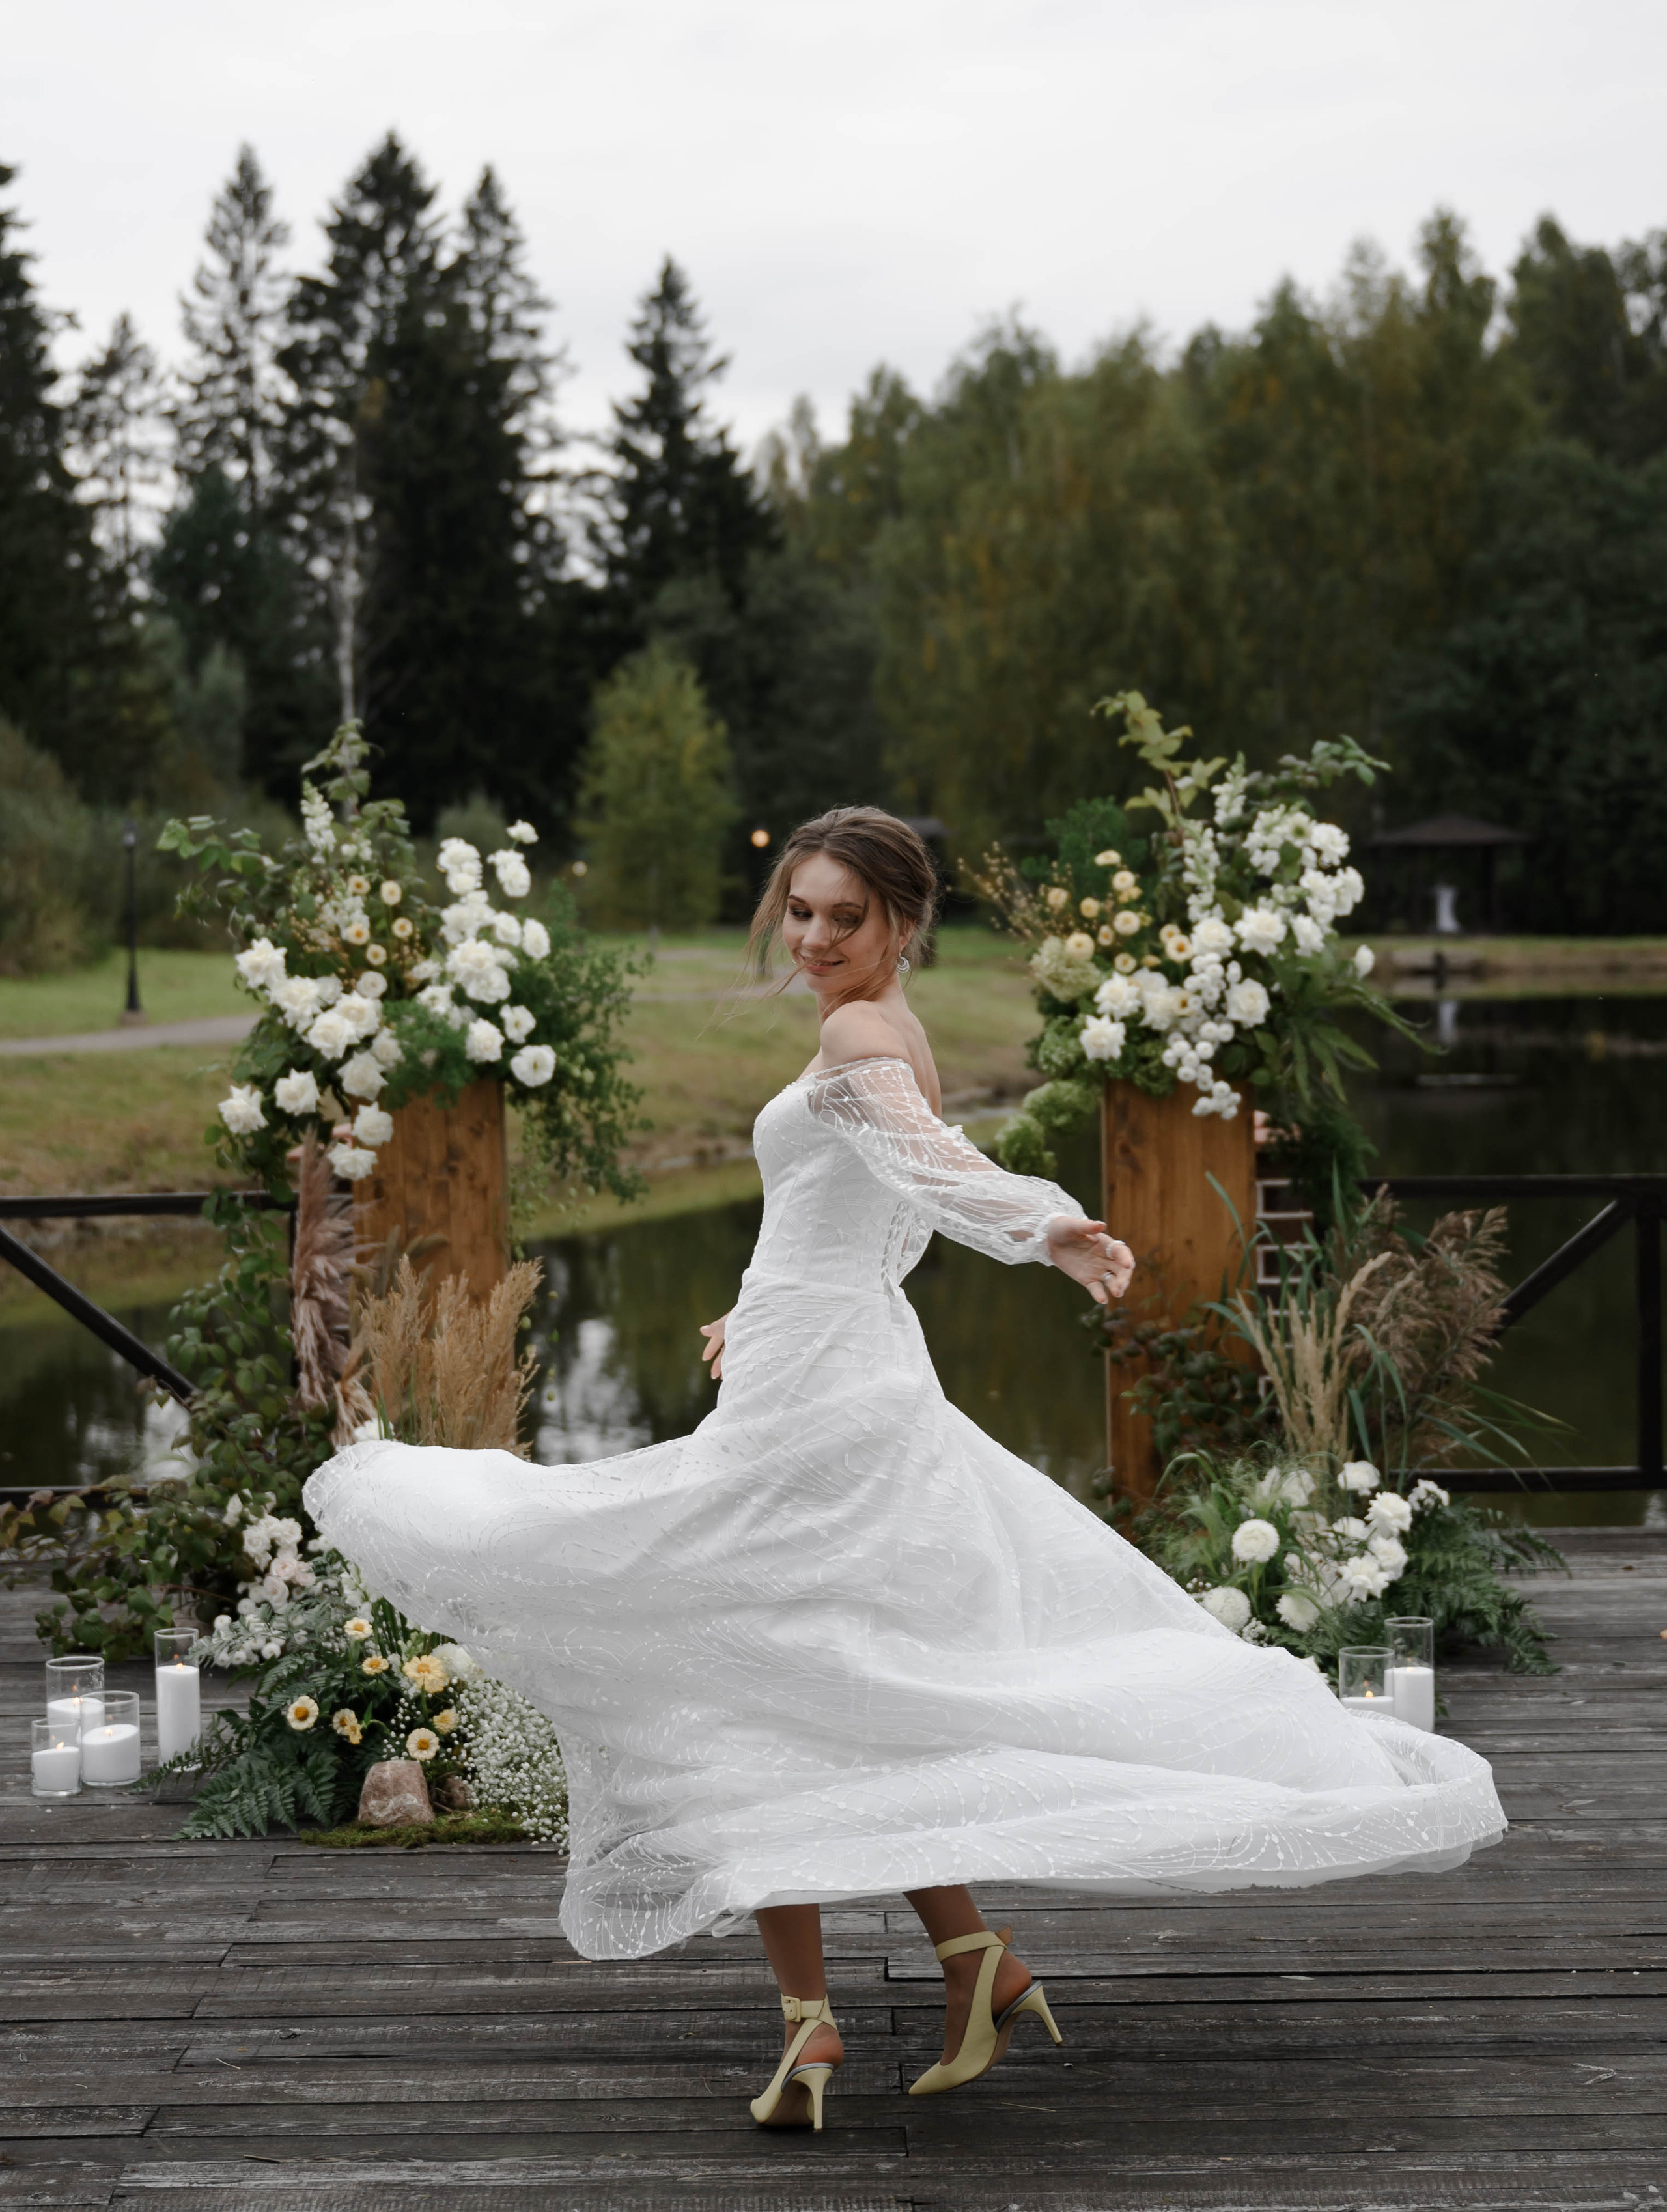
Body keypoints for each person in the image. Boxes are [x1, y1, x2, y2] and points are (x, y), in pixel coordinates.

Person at [305, 805, 1504, 2135]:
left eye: (844, 917)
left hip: (822, 1408)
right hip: (823, 1366)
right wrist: (749, 1313)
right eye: (800, 911)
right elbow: (867, 1221)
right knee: (824, 1689)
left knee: (734, 1677)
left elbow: (938, 1174)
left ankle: (824, 2019)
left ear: (901, 924)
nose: (814, 938)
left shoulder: (857, 1034)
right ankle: (965, 1964)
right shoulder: (895, 1034)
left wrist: (1045, 1225)